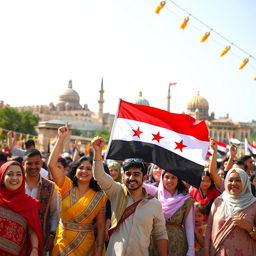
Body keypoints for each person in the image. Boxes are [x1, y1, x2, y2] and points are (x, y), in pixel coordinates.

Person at [92, 136, 168, 256]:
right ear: (123, 177)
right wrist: (97, 152)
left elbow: (161, 234)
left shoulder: (154, 204)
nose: (132, 178)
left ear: (144, 178)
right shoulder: (116, 192)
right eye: (128, 174)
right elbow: (100, 176)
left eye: (136, 174)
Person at [48, 124, 108, 256]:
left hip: (85, 246)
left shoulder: (100, 196)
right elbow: (51, 165)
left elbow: (101, 226)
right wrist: (61, 139)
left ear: (93, 173)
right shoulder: (66, 186)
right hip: (62, 243)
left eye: (88, 169)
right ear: (75, 171)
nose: (84, 171)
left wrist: (98, 251)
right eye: (81, 168)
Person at [205, 168, 256, 255]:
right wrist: (206, 250)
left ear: (245, 182)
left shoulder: (253, 204)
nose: (233, 183)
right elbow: (209, 228)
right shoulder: (218, 202)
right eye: (230, 180)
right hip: (219, 252)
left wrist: (249, 228)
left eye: (238, 180)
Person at [0, 161, 42, 256]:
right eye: (10, 174)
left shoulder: (29, 204)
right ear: (2, 178)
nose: (14, 178)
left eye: (18, 174)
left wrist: (34, 249)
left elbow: (32, 230)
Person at [23, 149, 60, 255]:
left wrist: (52, 235)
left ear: (41, 163)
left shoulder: (50, 187)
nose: (33, 167)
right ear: (23, 164)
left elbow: (54, 213)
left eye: (37, 163)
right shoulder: (16, 183)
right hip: (17, 237)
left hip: (40, 238)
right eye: (29, 163)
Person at [151, 170, 194, 256]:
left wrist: (191, 250)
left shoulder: (185, 200)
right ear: (162, 179)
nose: (170, 180)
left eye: (173, 177)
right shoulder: (154, 197)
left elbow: (189, 226)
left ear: (178, 180)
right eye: (167, 177)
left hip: (177, 243)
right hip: (156, 241)